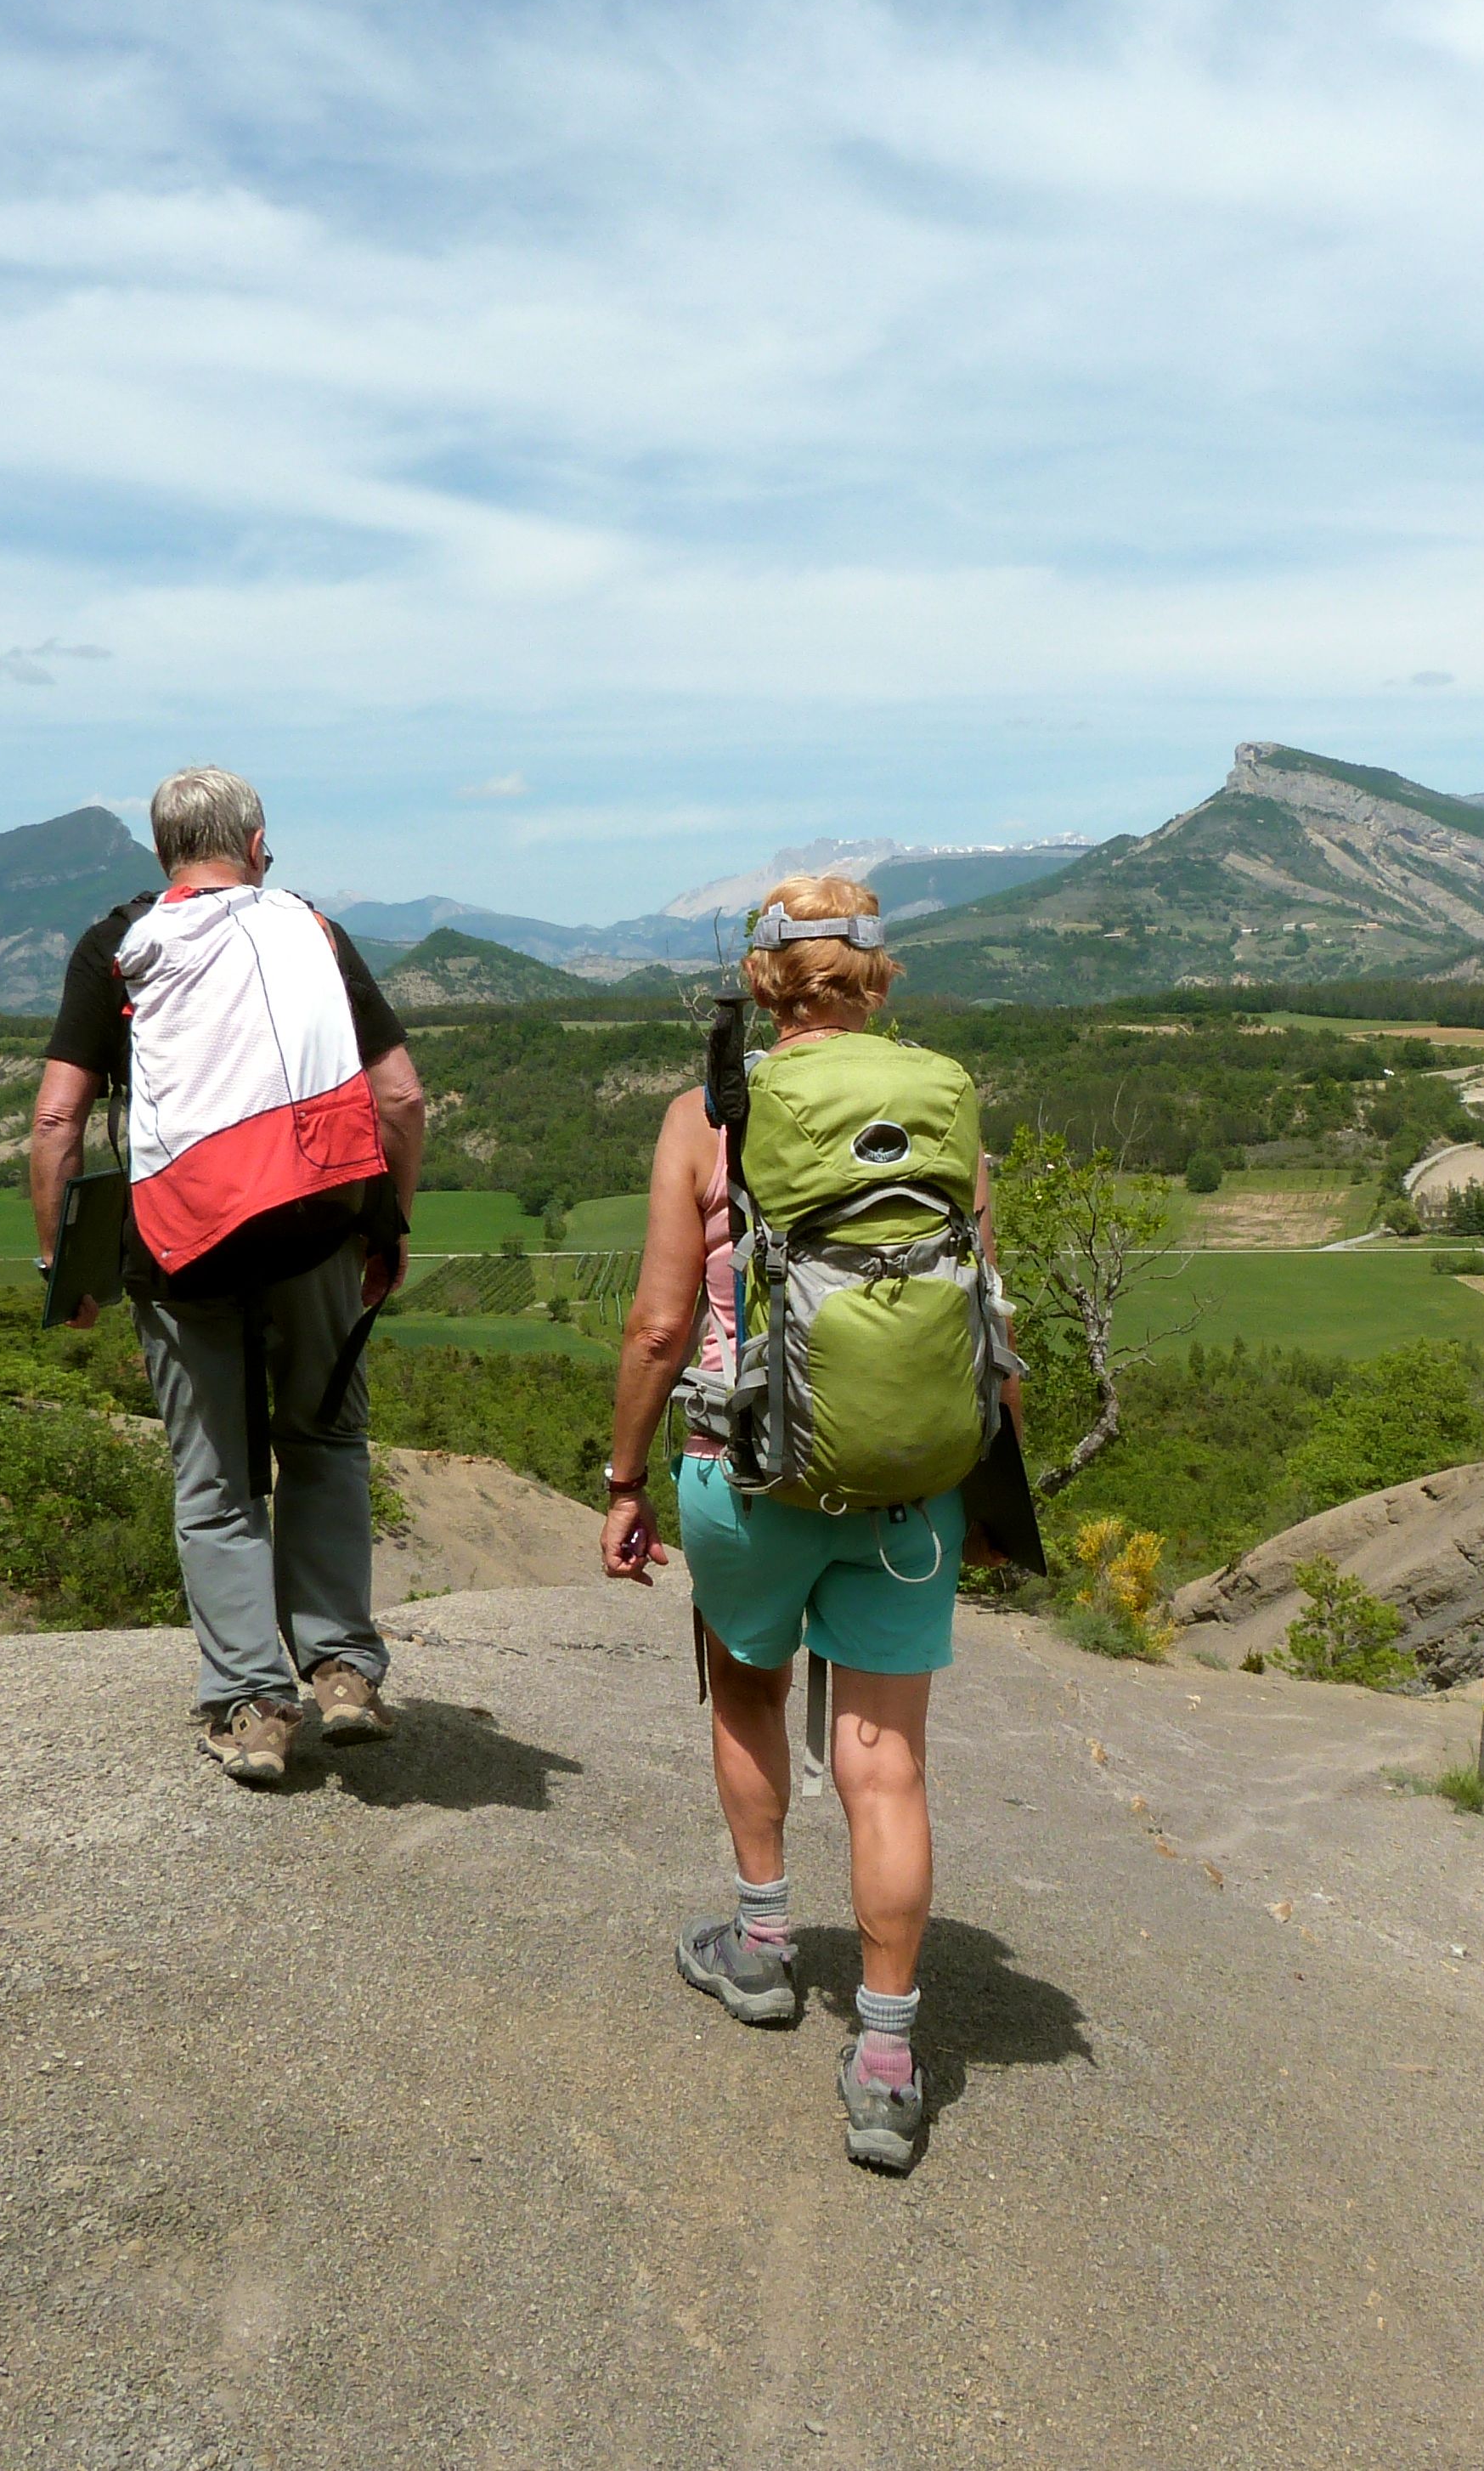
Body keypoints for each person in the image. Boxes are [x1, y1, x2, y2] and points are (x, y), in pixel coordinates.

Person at [599, 874, 1000, 2173]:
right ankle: (887, 2059)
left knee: (746, 1692)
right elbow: (976, 1325)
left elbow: (663, 1324)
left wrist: (621, 1479)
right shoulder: (947, 1117)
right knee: (887, 1764)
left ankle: (763, 1949)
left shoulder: (707, 1119)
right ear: (879, 984)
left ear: (764, 987)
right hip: (907, 1487)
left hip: (747, 1468)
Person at [31, 765, 427, 1786]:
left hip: (179, 1243)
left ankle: (253, 1705)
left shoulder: (116, 943)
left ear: (164, 851)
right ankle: (341, 1669)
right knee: (327, 1440)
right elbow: (401, 1097)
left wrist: (62, 1262)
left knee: (215, 1480)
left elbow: (56, 1121)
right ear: (256, 844)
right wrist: (386, 1221)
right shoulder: (314, 930)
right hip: (314, 1228)